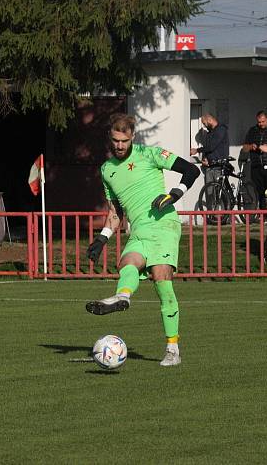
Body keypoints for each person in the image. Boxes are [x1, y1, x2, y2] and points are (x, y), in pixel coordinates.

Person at [85, 114, 200, 367]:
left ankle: (172, 349)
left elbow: (192, 170)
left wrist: (173, 194)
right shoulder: (106, 170)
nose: (119, 146)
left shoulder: (150, 154)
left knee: (161, 279)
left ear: (132, 137)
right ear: (110, 138)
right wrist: (102, 238)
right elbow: (116, 211)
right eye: (115, 140)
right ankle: (122, 297)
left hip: (163, 225)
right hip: (138, 229)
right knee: (127, 262)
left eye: (124, 141)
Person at [190, 113, 229, 184]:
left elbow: (211, 147)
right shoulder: (210, 133)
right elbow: (207, 147)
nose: (204, 126)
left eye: (204, 123)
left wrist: (197, 150)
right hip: (210, 166)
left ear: (210, 120)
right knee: (210, 192)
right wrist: (205, 158)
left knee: (220, 192)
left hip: (219, 167)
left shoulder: (221, 129)